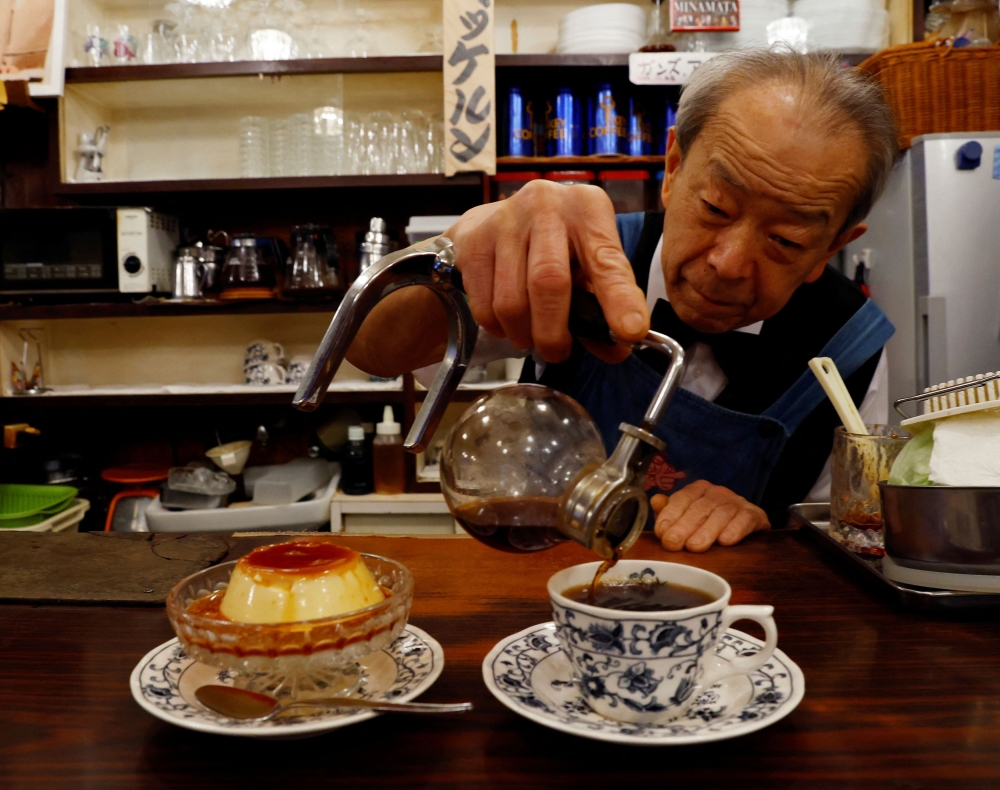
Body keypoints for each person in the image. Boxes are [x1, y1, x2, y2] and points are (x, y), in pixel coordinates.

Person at [347, 49, 899, 553]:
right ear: (674, 169)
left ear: (832, 248)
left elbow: (844, 533)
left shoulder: (848, 344)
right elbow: (370, 349)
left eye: (786, 241)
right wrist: (458, 250)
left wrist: (767, 526)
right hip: (541, 589)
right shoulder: (576, 261)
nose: (728, 263)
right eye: (715, 206)